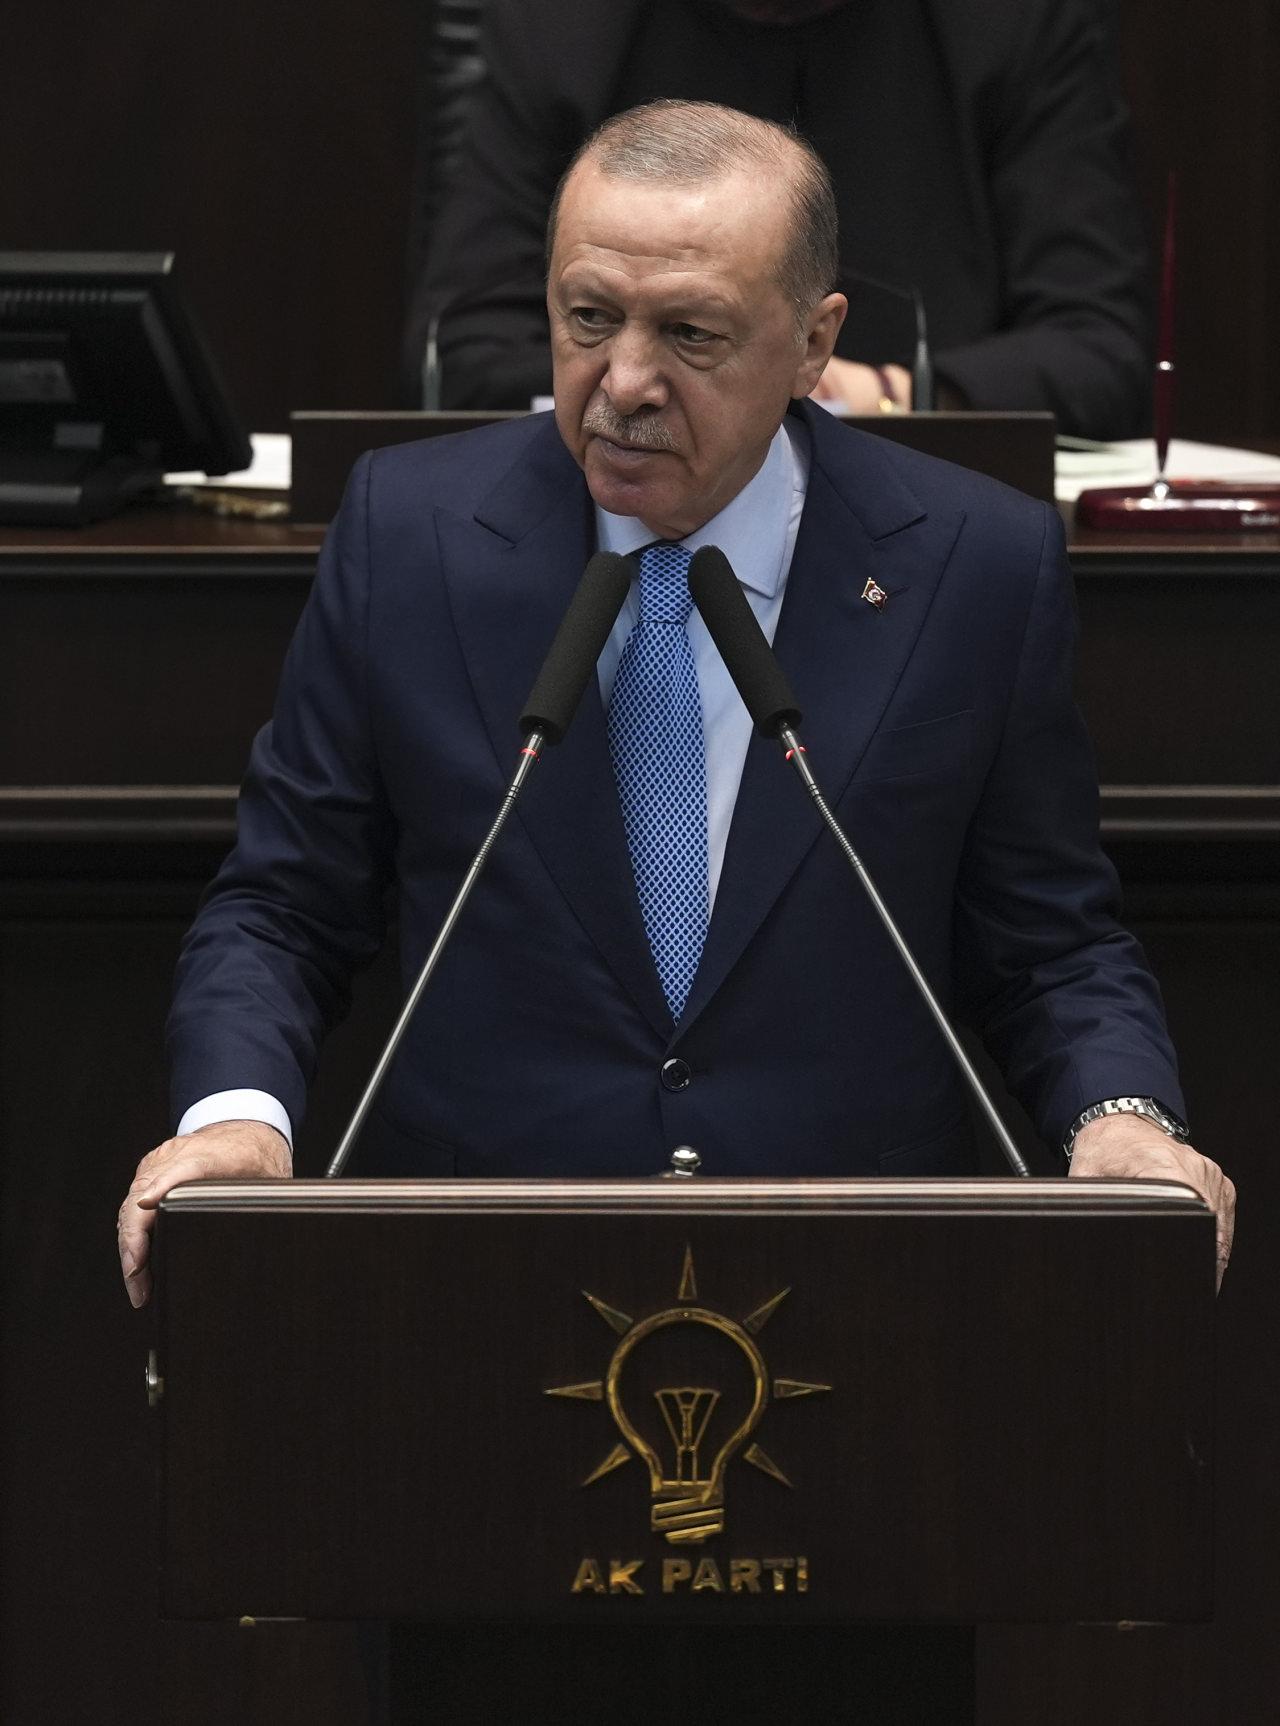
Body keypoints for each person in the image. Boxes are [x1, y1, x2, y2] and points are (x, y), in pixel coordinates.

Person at [118, 100, 1231, 1720]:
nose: (622, 380)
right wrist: (235, 1121)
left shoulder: (971, 562)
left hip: (874, 1373)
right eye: (587, 317)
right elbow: (283, 905)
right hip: (469, 1355)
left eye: (690, 333)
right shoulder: (411, 534)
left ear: (816, 341)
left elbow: (1052, 938)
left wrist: (1122, 1120)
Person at [404, 0, 1154, 438]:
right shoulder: (563, 25)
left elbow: (1100, 351)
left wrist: (884, 394)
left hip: (918, 506)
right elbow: (458, 351)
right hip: (610, 506)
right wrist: (672, 380)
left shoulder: (1011, 23)